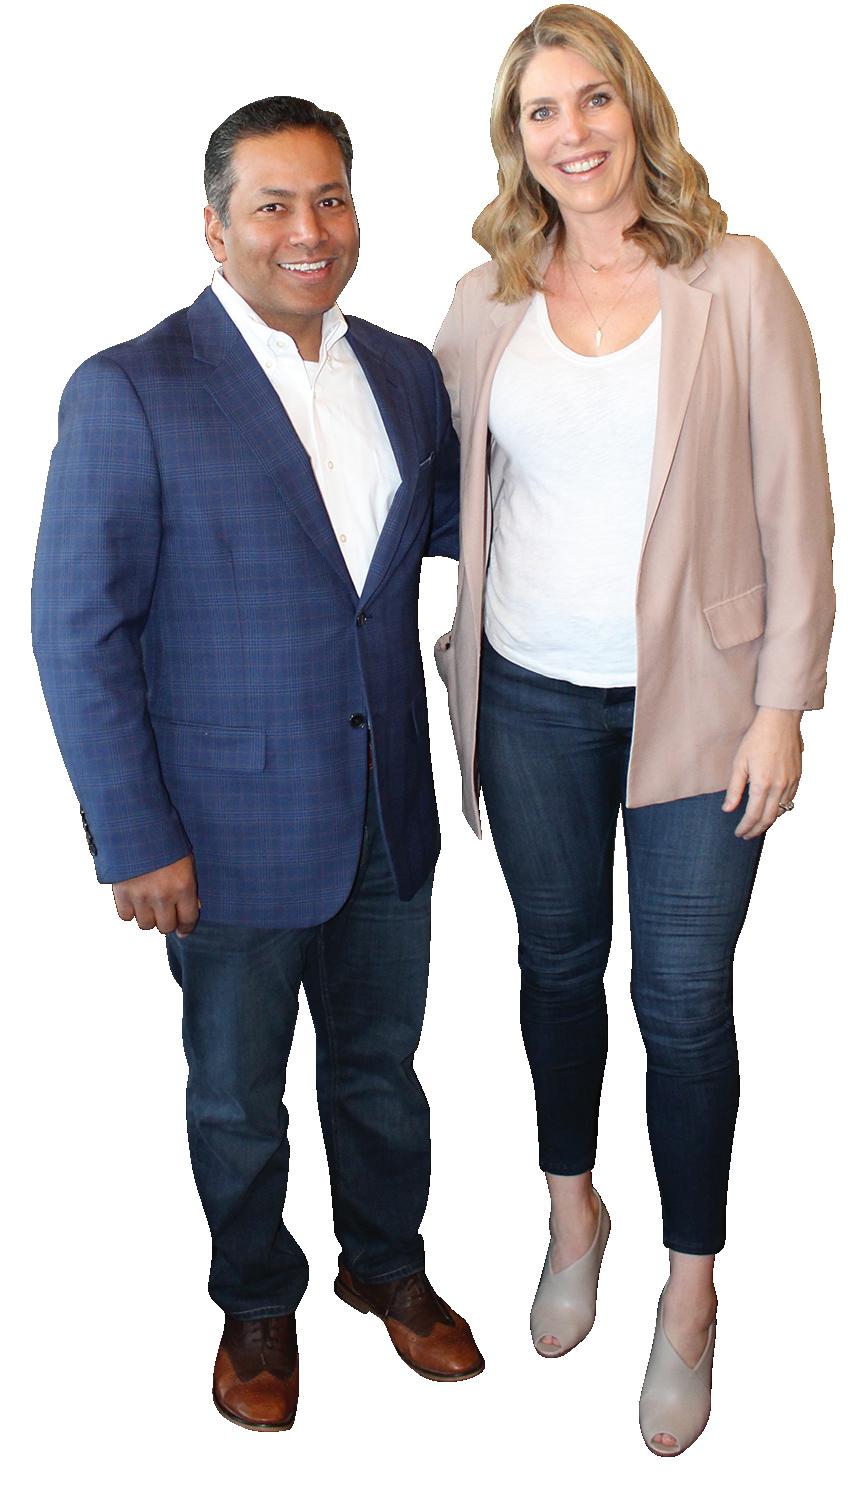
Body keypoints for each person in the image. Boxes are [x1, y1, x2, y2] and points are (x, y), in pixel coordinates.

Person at [32, 94, 483, 1433]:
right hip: (221, 832)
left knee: (382, 1069)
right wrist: (134, 834)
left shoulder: (405, 372)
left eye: (330, 198)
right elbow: (77, 627)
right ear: (215, 226)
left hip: (386, 806)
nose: (309, 228)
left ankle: (384, 1264)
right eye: (274, 203)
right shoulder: (132, 387)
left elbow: (461, 531)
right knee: (237, 1094)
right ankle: (255, 1300)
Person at [433, 4, 833, 1457]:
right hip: (530, 697)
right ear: (516, 140)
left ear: (635, 110)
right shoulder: (487, 299)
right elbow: (421, 477)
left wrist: (784, 704)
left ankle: (691, 1287)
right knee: (554, 965)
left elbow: (800, 503)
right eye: (541, 111)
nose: (573, 133)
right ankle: (572, 1210)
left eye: (593, 100)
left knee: (682, 1001)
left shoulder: (737, 279)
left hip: (705, 709)